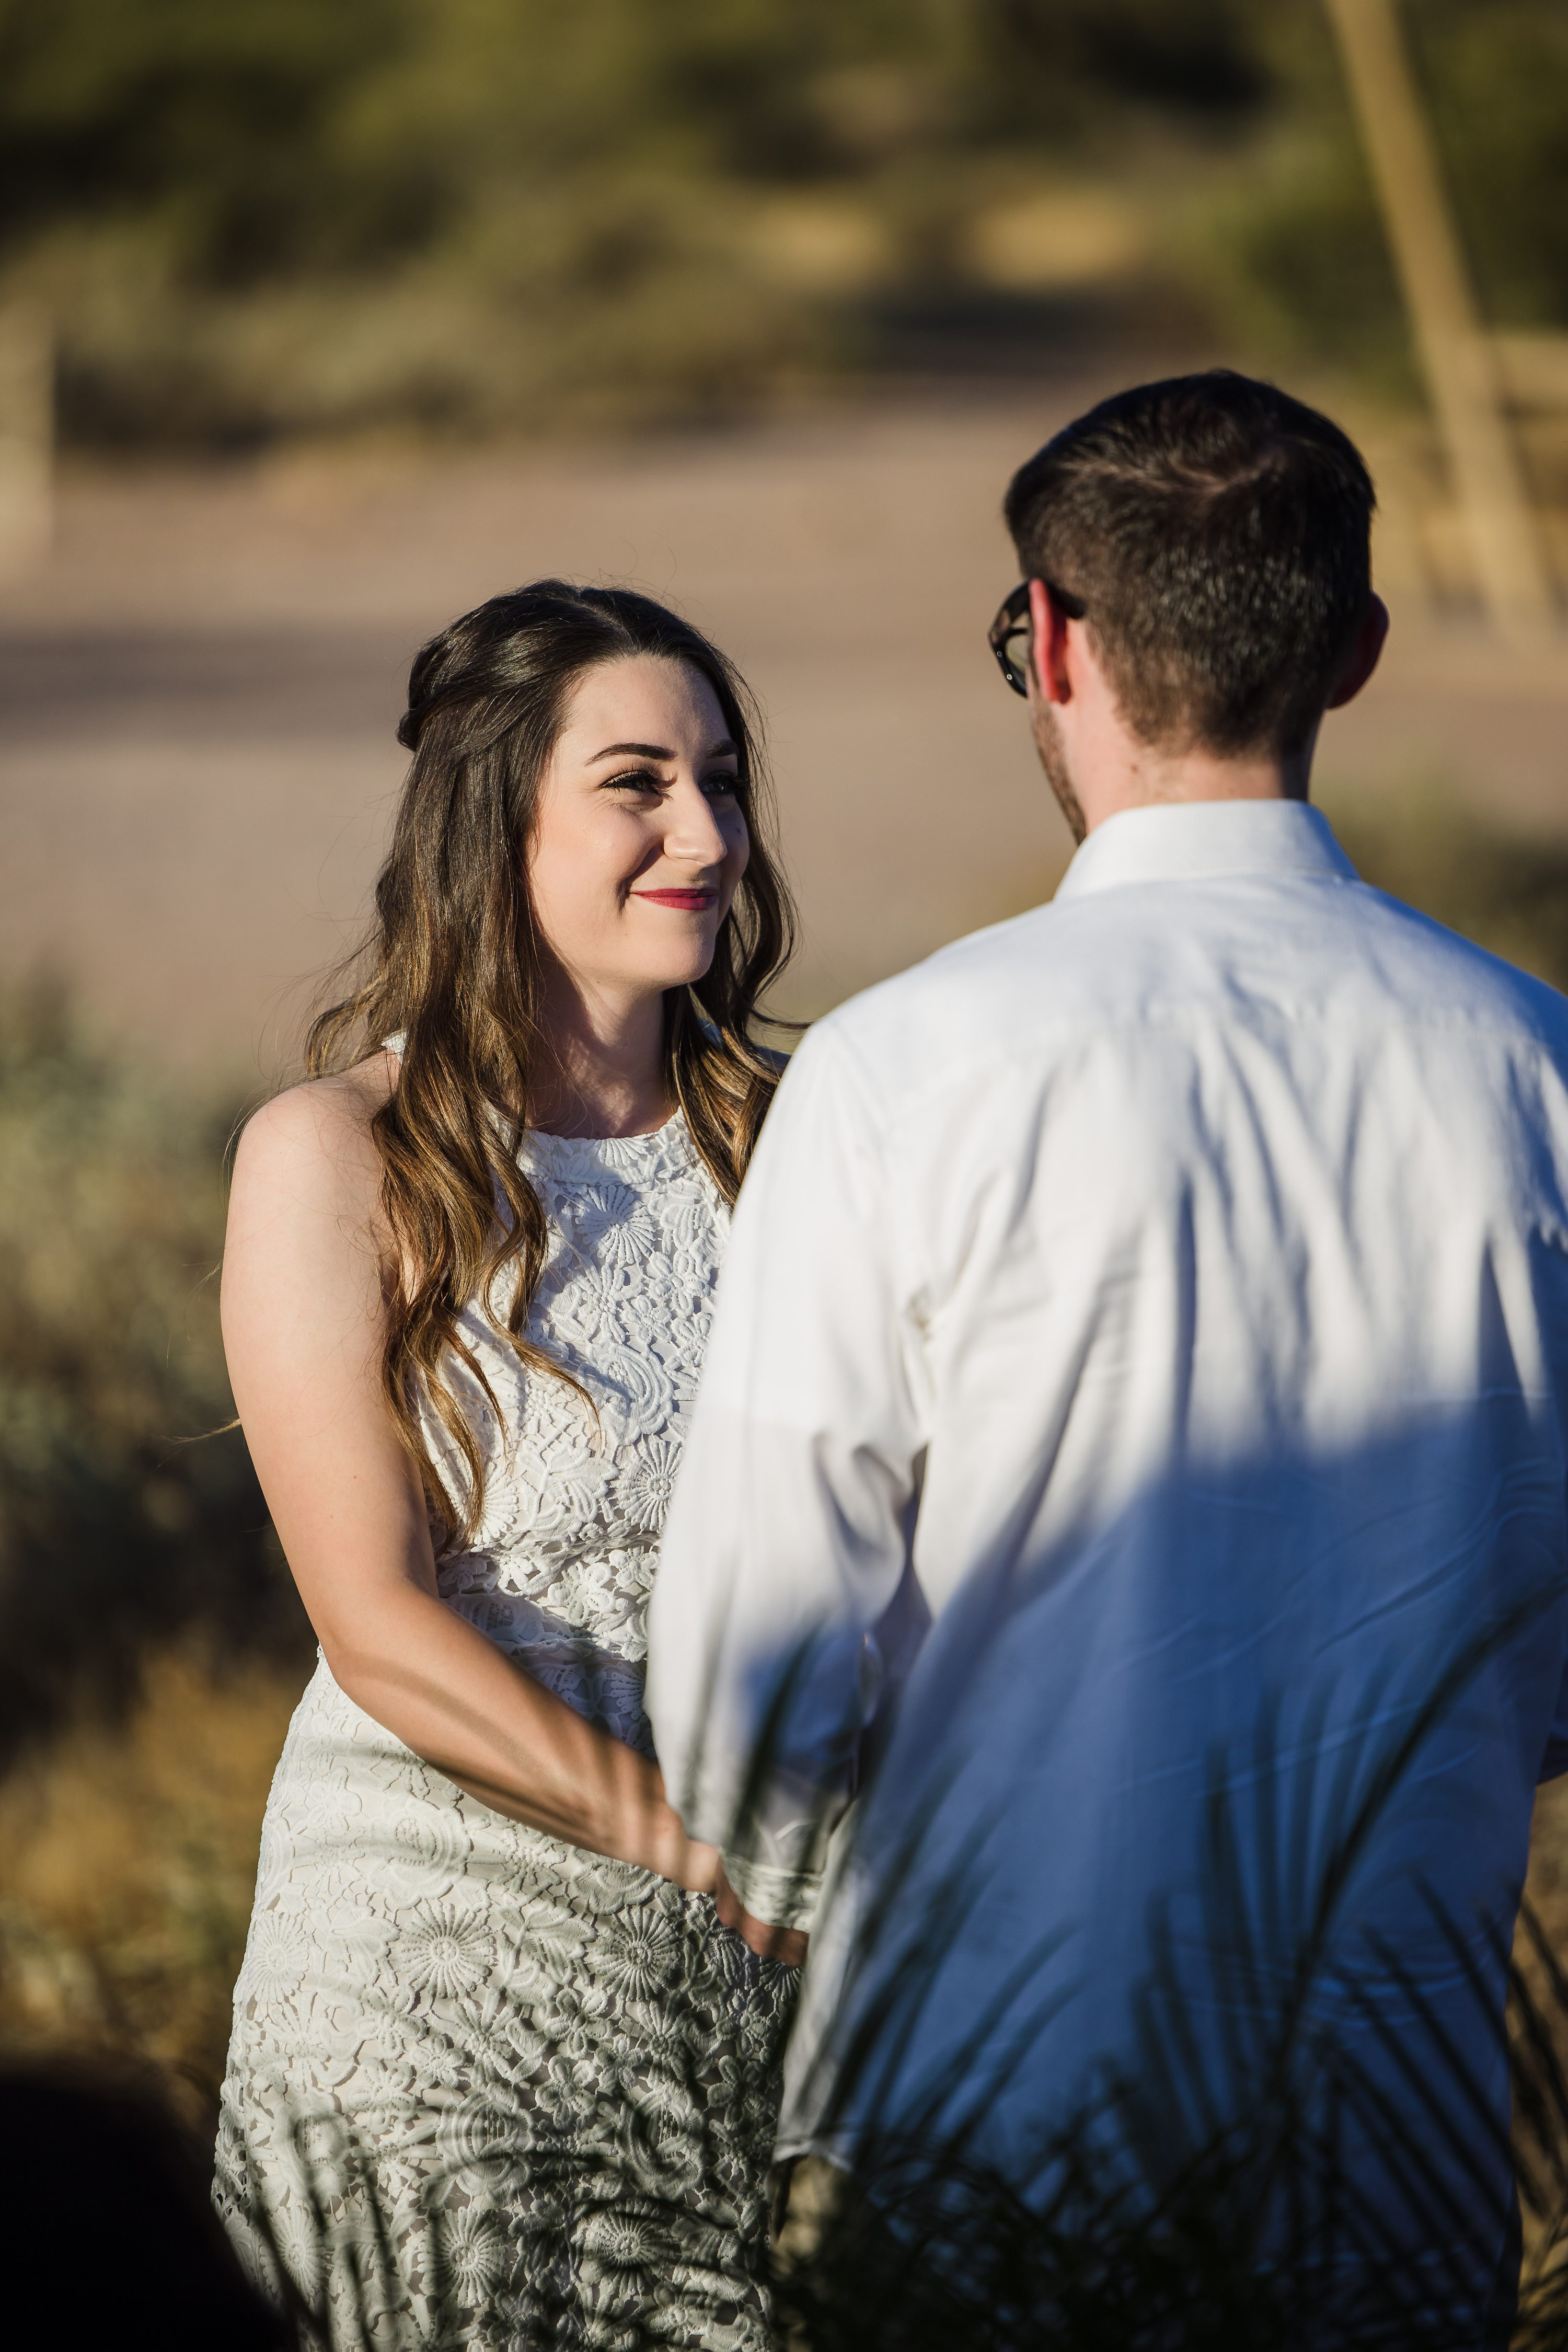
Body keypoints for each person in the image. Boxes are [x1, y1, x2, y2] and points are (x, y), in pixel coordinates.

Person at [645, 373, 1568, 2327]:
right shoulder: (1539, 1065)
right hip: (1403, 2112)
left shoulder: (909, 1064)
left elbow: (759, 1644)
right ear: (1359, 650)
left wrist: (787, 1888)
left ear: (1051, 641)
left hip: (1002, 2097)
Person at [213, 582, 800, 2350]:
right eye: (639, 781)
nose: (703, 830)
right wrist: (694, 1852)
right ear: (498, 823)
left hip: (750, 1993)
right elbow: (374, 1619)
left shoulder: (802, 1131)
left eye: (721, 775)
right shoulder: (339, 1157)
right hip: (429, 1979)